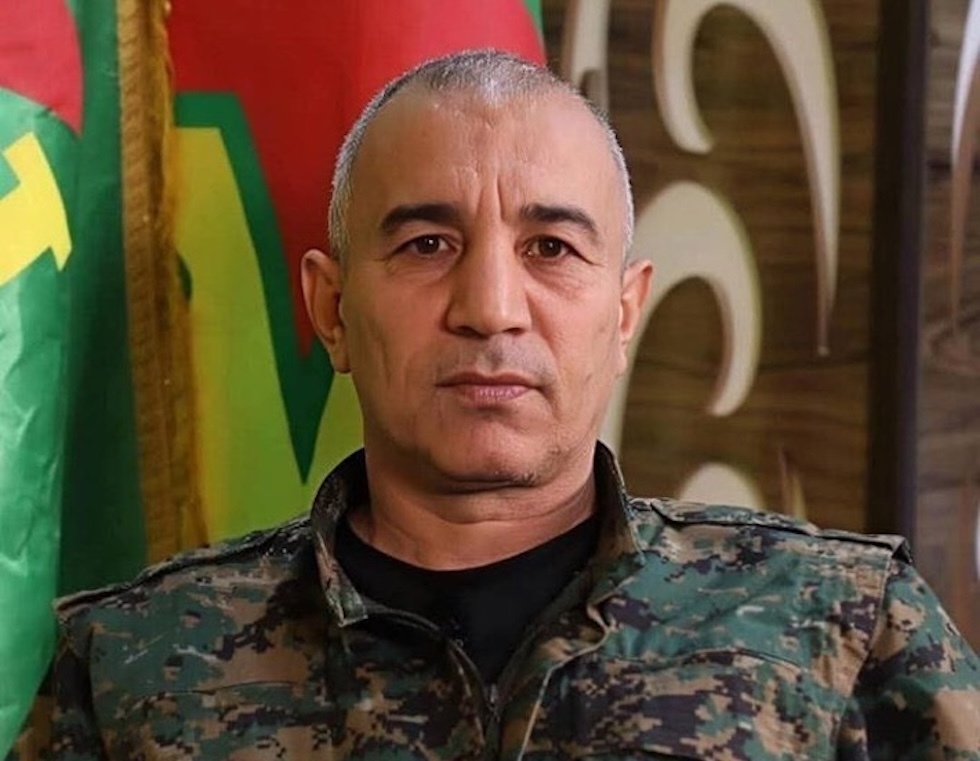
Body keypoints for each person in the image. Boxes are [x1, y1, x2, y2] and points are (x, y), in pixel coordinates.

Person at [14, 49, 980, 760]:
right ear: (332, 310)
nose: (489, 307)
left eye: (551, 248)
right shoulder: (139, 666)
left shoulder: (840, 627)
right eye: (427, 245)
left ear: (625, 312)